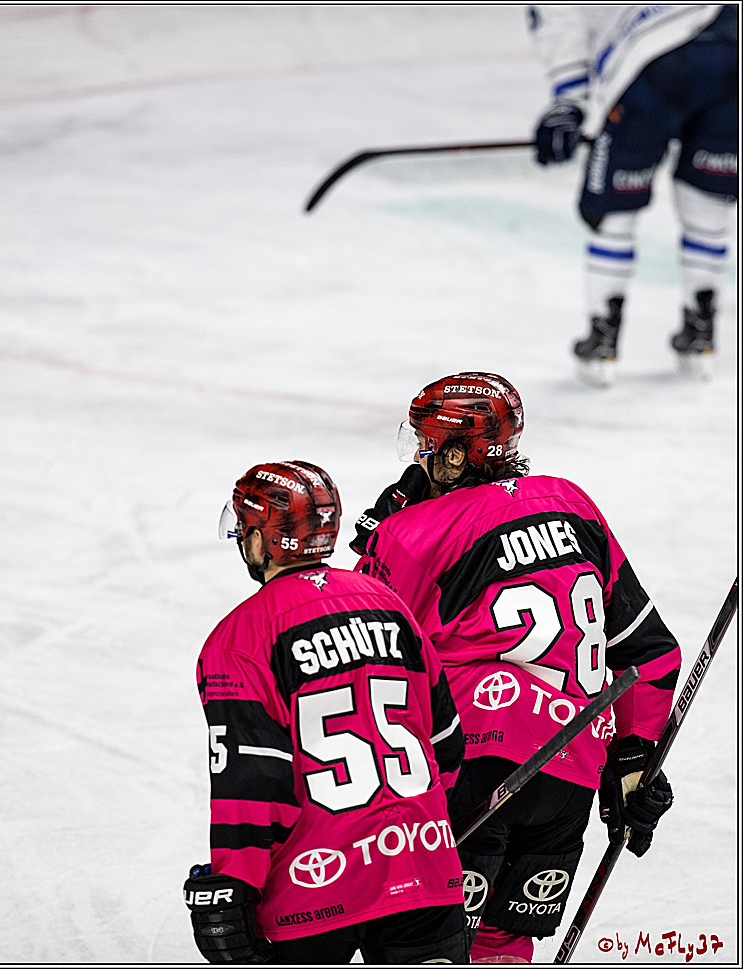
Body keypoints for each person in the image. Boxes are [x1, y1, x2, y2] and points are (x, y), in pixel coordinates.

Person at [350, 372, 681, 963]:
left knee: (422, 937)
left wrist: (378, 543)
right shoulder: (570, 501)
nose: (420, 458)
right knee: (503, 940)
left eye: (428, 445)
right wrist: (634, 758)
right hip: (569, 770)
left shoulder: (411, 535)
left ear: (458, 450)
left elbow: (363, 656)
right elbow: (650, 652)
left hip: (469, 770)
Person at [184, 460, 468, 964]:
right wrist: (414, 831)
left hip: (313, 891)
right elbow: (446, 740)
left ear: (261, 540)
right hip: (423, 868)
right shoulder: (389, 602)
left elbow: (251, 783)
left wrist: (232, 888)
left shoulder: (240, 638)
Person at [527, 4, 738, 386]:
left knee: (612, 213)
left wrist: (568, 100)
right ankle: (700, 332)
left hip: (653, 64)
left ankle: (602, 336)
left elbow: (561, 15)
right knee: (707, 203)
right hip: (732, 50)